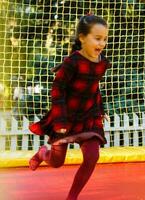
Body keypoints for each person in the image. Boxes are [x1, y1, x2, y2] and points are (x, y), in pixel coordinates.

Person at [28, 14, 111, 200]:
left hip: (89, 116)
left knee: (92, 157)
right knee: (57, 162)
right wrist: (60, 120)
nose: (102, 43)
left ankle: (72, 197)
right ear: (82, 38)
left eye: (105, 39)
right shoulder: (71, 63)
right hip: (65, 117)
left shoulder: (102, 63)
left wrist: (101, 109)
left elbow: (93, 88)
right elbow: (58, 91)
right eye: (97, 38)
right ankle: (42, 153)